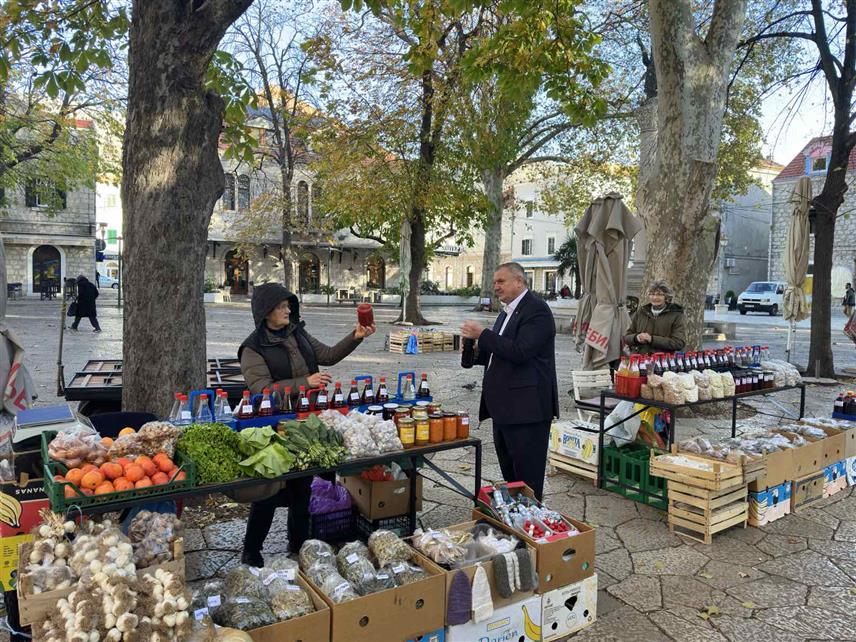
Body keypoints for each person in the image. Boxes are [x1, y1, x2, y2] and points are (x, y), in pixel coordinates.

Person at [238, 283, 376, 566]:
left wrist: (356, 336)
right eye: (281, 306)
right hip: (273, 425)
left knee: (303, 486)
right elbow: (261, 388)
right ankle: (252, 549)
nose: (288, 309)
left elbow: (327, 355)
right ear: (266, 312)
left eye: (289, 304)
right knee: (269, 488)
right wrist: (306, 382)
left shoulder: (296, 332)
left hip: (305, 421)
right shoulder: (252, 348)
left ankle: (299, 544)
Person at [460, 262, 558, 501]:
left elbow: (520, 351)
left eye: (501, 281)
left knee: (527, 480)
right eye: (495, 282)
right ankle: (516, 521)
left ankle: (530, 526)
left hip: (528, 410)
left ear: (519, 281)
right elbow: (498, 353)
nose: (496, 287)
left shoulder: (537, 310)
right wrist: (474, 350)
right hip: (504, 409)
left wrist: (482, 334)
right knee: (511, 475)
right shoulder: (506, 312)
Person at [623, 280, 685, 355]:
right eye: (652, 294)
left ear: (666, 296)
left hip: (662, 361)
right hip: (639, 360)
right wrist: (636, 338)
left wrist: (652, 339)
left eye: (659, 294)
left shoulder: (676, 315)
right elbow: (626, 337)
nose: (655, 297)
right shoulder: (641, 312)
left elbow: (679, 343)